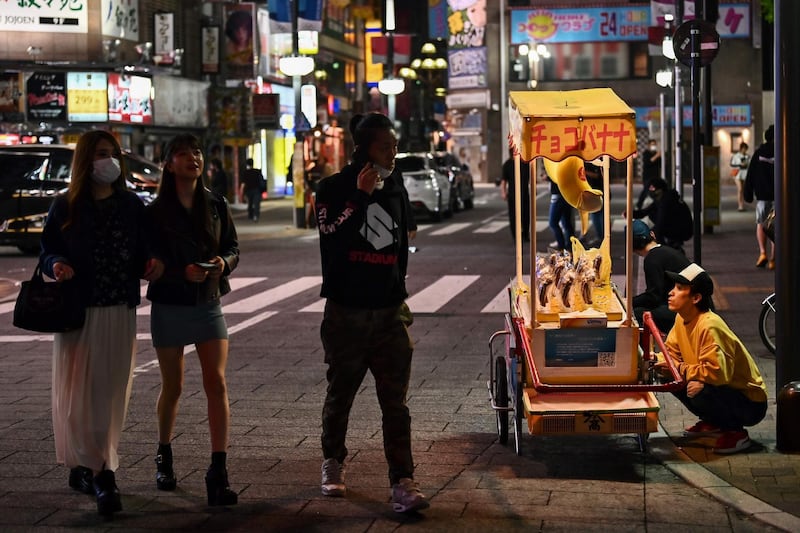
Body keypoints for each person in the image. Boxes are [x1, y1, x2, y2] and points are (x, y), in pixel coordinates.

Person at [39, 130, 164, 516]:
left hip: (119, 309)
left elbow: (149, 250)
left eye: (112, 154)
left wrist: (153, 265)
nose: (107, 161)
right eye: (98, 155)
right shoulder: (67, 205)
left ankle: (95, 464)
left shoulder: (131, 205)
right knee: (80, 392)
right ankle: (101, 473)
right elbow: (48, 251)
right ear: (84, 162)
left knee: (110, 393)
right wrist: (56, 265)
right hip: (78, 312)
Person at [314, 112, 429, 514]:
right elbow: (331, 239)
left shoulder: (395, 185)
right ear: (362, 150)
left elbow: (403, 240)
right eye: (386, 146)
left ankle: (403, 480)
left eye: (395, 145)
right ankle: (333, 461)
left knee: (395, 403)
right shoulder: (332, 188)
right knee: (340, 393)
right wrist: (360, 197)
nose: (393, 152)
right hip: (346, 312)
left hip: (388, 312)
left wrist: (398, 290)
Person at [146, 134, 240, 507]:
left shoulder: (216, 204)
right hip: (169, 303)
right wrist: (176, 273)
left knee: (216, 383)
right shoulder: (154, 213)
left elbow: (232, 247)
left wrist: (222, 264)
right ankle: (164, 453)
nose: (192, 159)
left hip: (208, 302)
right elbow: (148, 263)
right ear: (169, 164)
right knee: (173, 386)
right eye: (183, 154)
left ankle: (218, 470)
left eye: (197, 153)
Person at [659, 263, 768, 454]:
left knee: (699, 387)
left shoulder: (710, 326)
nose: (671, 292)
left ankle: (735, 433)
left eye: (679, 289)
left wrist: (681, 369)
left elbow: (718, 374)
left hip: (750, 403)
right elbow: (671, 352)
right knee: (669, 377)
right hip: (724, 390)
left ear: (696, 298)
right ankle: (713, 422)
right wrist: (658, 360)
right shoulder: (681, 319)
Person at [631, 219, 690, 333]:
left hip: (683, 310)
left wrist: (628, 302)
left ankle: (641, 350)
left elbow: (653, 297)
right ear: (652, 234)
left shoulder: (652, 260)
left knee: (637, 315)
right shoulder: (667, 251)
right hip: (693, 304)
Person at [631, 176, 692, 253]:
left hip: (682, 229)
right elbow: (645, 212)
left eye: (654, 190)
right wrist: (630, 213)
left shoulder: (667, 201)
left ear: (661, 189)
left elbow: (661, 222)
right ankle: (669, 247)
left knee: (655, 232)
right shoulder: (661, 199)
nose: (652, 193)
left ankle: (669, 249)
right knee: (653, 218)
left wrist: (651, 236)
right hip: (676, 226)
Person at [743, 125, 775, 270]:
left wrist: (748, 193)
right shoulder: (783, 150)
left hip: (762, 196)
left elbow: (751, 174)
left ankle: (763, 253)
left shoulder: (759, 152)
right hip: (779, 196)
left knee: (761, 224)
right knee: (775, 226)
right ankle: (773, 259)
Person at [500, 149, 530, 241]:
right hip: (513, 195)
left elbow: (530, 178)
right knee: (513, 216)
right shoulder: (507, 164)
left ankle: (525, 235)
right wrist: (504, 192)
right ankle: (516, 236)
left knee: (525, 215)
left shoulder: (525, 163)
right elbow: (504, 181)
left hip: (524, 193)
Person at [546, 173, 576, 251]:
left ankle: (561, 245)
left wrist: (547, 177)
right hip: (566, 194)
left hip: (558, 194)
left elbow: (555, 177)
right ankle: (569, 246)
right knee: (567, 223)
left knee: (553, 222)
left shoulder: (557, 164)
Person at [637, 139, 661, 210]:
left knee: (655, 190)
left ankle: (656, 205)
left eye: (654, 144)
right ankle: (639, 204)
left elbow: (660, 164)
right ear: (649, 145)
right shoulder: (646, 153)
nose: (654, 146)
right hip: (647, 176)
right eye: (652, 144)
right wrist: (657, 156)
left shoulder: (656, 153)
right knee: (646, 190)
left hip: (655, 176)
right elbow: (648, 162)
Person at [584, 160, 604, 246]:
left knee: (599, 216)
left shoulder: (597, 161)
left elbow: (598, 176)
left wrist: (585, 172)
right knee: (595, 216)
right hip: (590, 192)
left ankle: (602, 237)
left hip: (599, 192)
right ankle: (601, 236)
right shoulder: (587, 161)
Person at [239, 158, 264, 222]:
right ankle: (255, 216)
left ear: (247, 164)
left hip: (248, 191)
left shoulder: (245, 173)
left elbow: (243, 184)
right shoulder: (257, 171)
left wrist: (241, 193)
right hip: (256, 190)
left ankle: (250, 216)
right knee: (256, 204)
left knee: (250, 204)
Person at [730, 142, 749, 211]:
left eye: (746, 149)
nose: (745, 150)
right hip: (737, 174)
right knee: (740, 189)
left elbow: (749, 165)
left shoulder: (747, 156)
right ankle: (740, 205)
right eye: (744, 149)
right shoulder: (736, 156)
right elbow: (732, 164)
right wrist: (740, 165)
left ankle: (742, 205)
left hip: (744, 174)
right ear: (741, 148)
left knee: (743, 190)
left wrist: (746, 164)